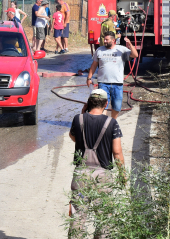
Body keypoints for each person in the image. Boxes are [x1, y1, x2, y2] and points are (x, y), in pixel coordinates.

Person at [68, 89, 124, 235]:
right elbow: (117, 152)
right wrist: (122, 174)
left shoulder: (77, 119)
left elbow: (73, 137)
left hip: (81, 175)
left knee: (78, 216)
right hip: (103, 176)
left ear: (88, 103)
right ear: (106, 104)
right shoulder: (112, 123)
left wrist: (82, 112)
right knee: (104, 218)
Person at [86, 31, 138, 119]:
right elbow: (94, 65)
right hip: (103, 83)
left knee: (116, 107)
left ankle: (112, 123)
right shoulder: (99, 50)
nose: (105, 41)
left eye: (107, 39)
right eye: (104, 39)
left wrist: (130, 44)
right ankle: (103, 124)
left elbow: (135, 55)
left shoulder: (121, 49)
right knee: (102, 106)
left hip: (117, 84)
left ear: (113, 40)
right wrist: (89, 78)